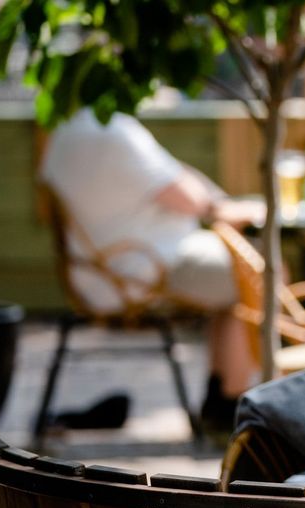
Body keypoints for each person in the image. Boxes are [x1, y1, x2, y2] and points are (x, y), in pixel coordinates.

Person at [40, 108, 265, 430]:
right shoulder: (114, 132)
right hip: (140, 269)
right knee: (255, 271)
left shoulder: (64, 130)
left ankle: (224, 394)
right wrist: (221, 205)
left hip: (99, 272)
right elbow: (188, 197)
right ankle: (231, 403)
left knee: (234, 271)